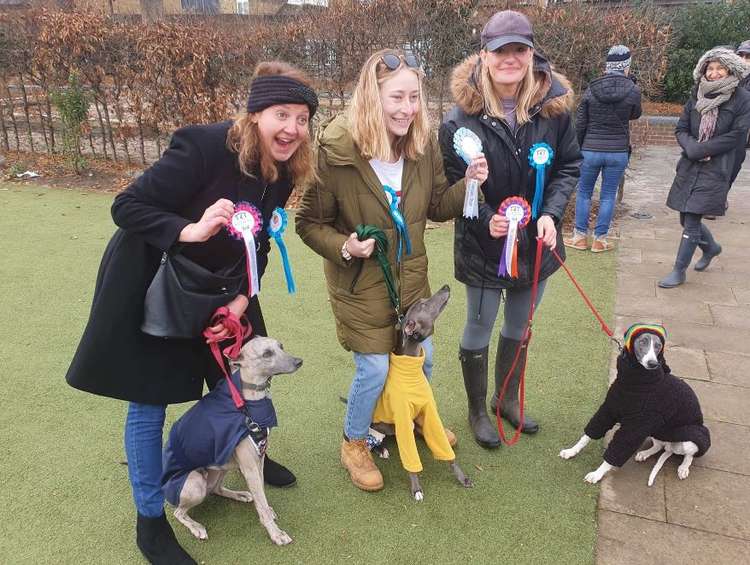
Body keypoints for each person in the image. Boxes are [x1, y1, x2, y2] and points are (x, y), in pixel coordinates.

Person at [65, 61, 318, 564]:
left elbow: (260, 241)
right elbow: (127, 206)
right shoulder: (202, 146)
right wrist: (191, 229)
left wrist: (245, 296)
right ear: (255, 115)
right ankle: (151, 523)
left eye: (303, 118)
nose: (292, 128)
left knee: (239, 382)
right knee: (150, 401)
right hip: (155, 281)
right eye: (281, 114)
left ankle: (249, 456)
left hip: (226, 284)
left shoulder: (286, 165)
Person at [295, 49, 487, 491]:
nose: (408, 109)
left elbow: (437, 205)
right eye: (396, 97)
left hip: (411, 280)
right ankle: (354, 442)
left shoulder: (422, 147)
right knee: (376, 369)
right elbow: (308, 224)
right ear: (371, 97)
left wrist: (470, 184)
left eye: (414, 97)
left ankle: (415, 419)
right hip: (360, 285)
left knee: (425, 359)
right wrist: (345, 245)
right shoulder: (336, 152)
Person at [439, 10, 581, 448]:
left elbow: (569, 165)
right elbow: (450, 182)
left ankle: (506, 400)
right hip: (483, 244)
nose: (510, 58)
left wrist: (549, 214)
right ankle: (478, 410)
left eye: (519, 49)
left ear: (531, 53)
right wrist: (487, 219)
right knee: (478, 327)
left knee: (518, 324)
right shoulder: (457, 119)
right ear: (484, 55)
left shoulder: (555, 110)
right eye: (500, 50)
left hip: (536, 242)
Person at [658, 48, 750, 289]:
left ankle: (679, 270)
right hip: (689, 164)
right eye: (710, 68)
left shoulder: (741, 98)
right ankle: (711, 248)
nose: (715, 73)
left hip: (718, 166)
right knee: (684, 215)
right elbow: (681, 129)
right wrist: (692, 148)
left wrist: (705, 148)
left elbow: (738, 134)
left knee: (692, 218)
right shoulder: (696, 95)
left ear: (730, 70)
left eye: (720, 68)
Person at [564, 45, 642, 253]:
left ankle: (579, 237)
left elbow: (581, 122)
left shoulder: (592, 88)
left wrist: (578, 149)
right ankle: (600, 240)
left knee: (584, 193)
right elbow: (635, 114)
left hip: (590, 149)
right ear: (626, 66)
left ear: (607, 66)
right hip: (617, 152)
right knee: (608, 195)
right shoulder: (633, 90)